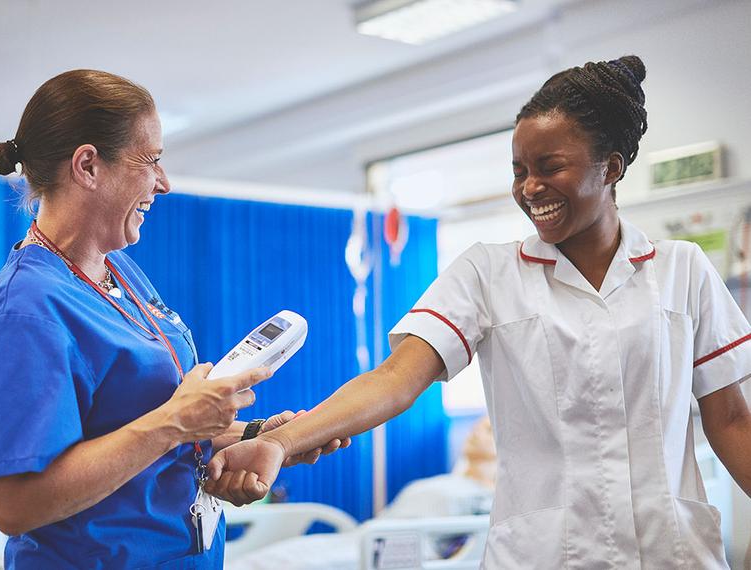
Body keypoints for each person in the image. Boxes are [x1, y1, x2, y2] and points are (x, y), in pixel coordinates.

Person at [204, 55, 751, 568]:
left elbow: (729, 420)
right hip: (544, 554)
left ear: (611, 168)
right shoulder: (487, 273)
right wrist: (277, 441)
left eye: (550, 166)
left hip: (671, 552)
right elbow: (395, 380)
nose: (531, 188)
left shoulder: (683, 270)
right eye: (519, 171)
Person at [0, 69, 347, 569]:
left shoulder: (118, 272)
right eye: (151, 161)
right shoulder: (26, 305)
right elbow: (11, 503)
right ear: (88, 165)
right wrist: (175, 421)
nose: (164, 184)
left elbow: (128, 429)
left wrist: (251, 437)